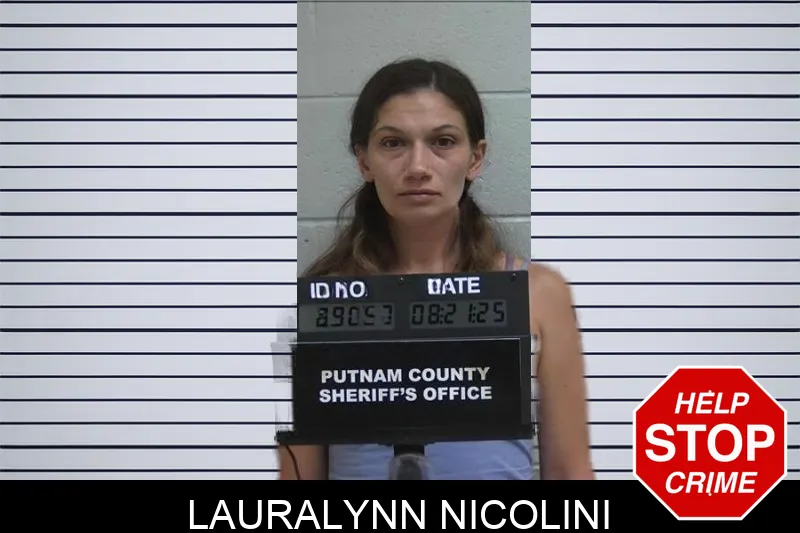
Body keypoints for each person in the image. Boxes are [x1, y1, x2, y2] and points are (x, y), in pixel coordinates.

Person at [280, 58, 594, 480]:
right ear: (364, 161)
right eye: (393, 143)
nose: (417, 167)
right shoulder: (319, 304)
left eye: (443, 142)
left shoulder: (539, 295)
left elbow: (570, 472)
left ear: (475, 158)